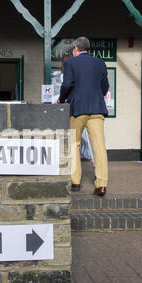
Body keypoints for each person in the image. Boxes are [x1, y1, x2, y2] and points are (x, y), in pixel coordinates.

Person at [56, 36, 109, 196]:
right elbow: (105, 86)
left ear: (75, 49)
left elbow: (67, 85)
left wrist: (61, 99)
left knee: (74, 144)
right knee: (99, 147)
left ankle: (75, 181)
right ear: (88, 49)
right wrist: (96, 97)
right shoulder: (99, 63)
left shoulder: (70, 62)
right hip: (96, 109)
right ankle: (101, 185)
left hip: (77, 109)